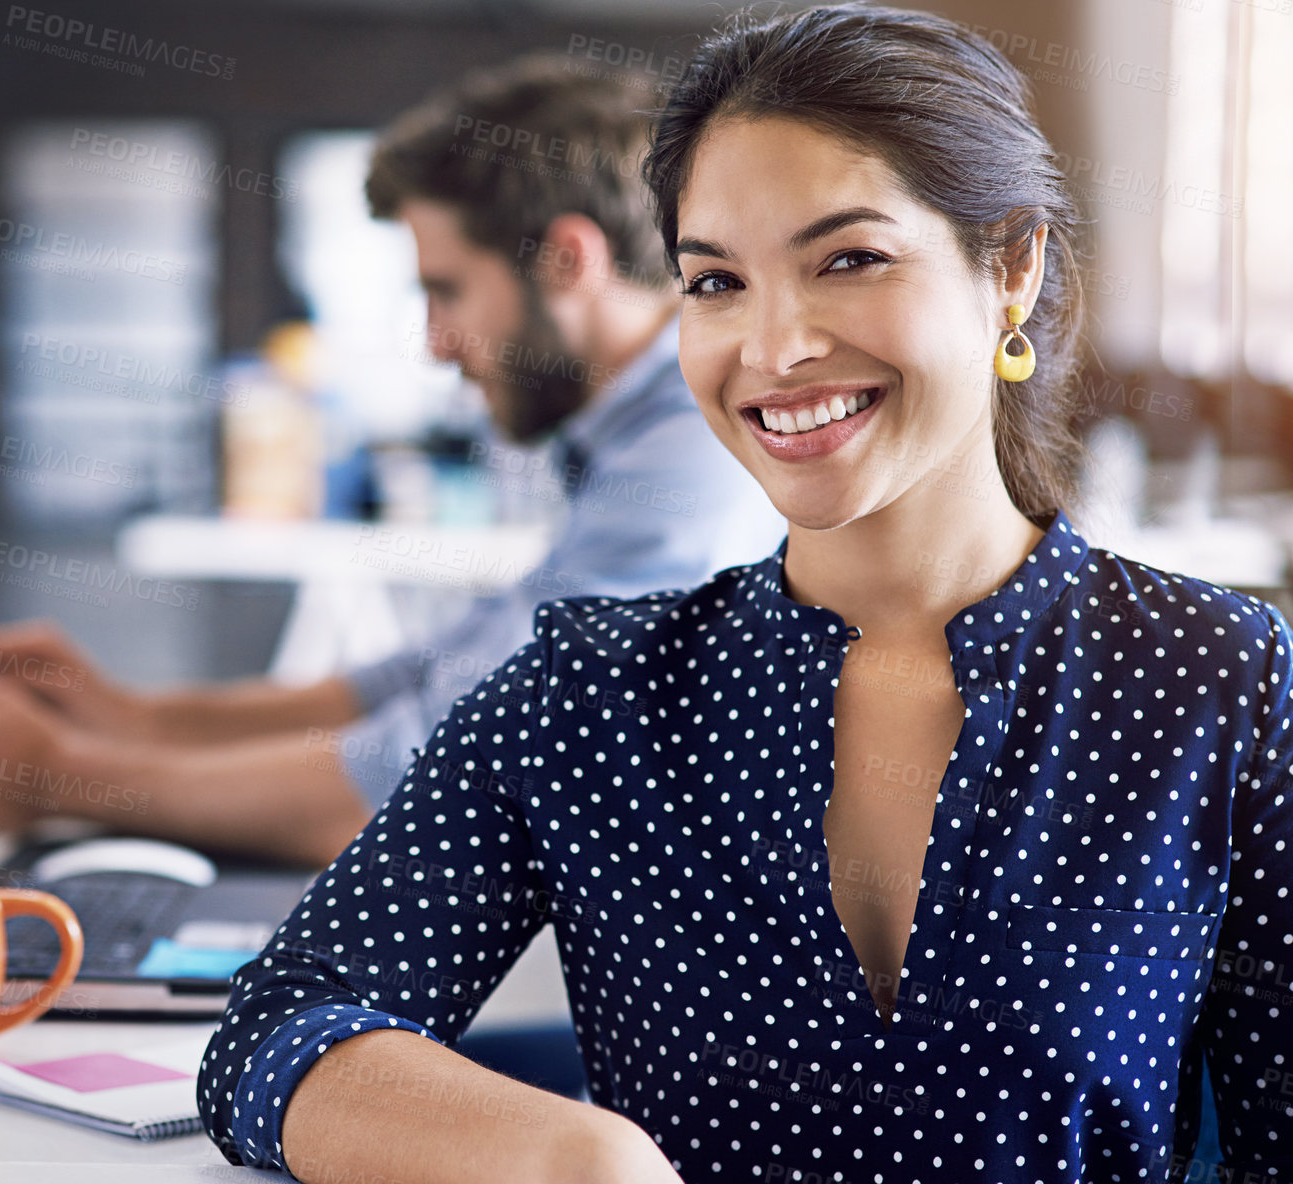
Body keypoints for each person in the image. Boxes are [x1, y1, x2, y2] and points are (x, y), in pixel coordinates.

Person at [197, 6, 1293, 1182]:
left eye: (848, 258)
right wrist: (574, 1152)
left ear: (1011, 265)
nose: (770, 349)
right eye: (714, 281)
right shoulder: (592, 691)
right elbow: (275, 1028)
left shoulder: (1219, 677)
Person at [0, 58, 785, 867]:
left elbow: (422, 792)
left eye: (447, 290)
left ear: (567, 260)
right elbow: (433, 681)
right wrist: (136, 719)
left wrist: (59, 774)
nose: (439, 346)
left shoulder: (694, 455)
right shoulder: (636, 434)